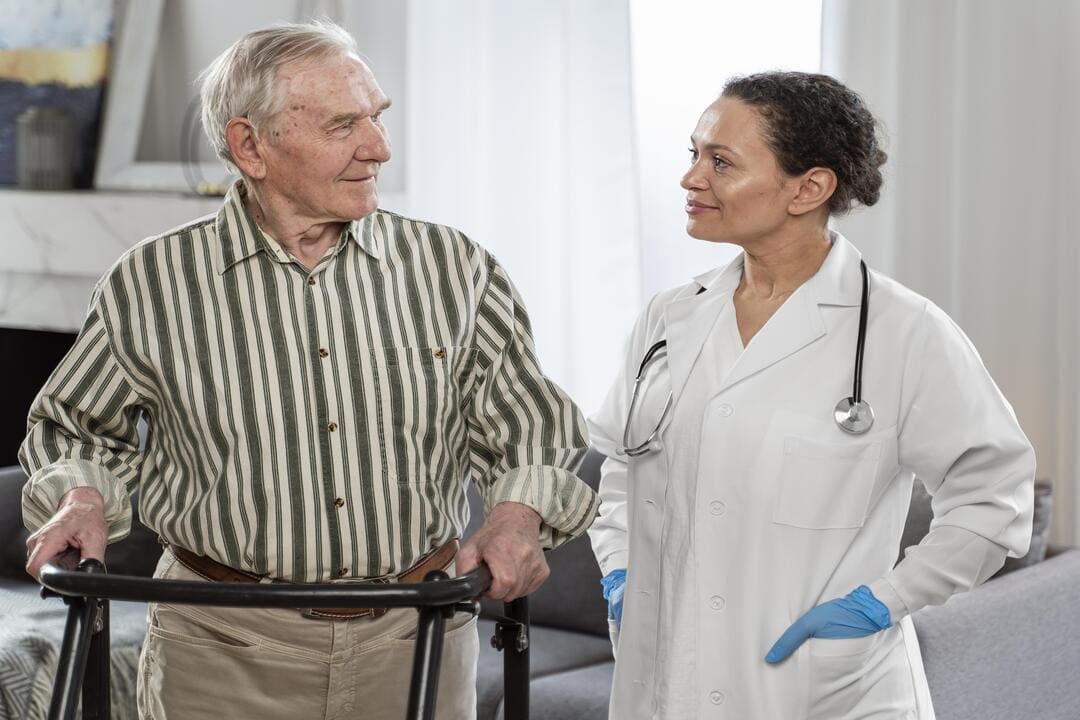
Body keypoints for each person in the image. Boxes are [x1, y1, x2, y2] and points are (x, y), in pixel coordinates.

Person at [20, 21, 598, 720]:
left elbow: (531, 424)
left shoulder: (455, 269)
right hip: (219, 650)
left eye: (377, 118)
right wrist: (81, 498)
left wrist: (516, 514)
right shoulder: (151, 281)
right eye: (342, 125)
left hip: (417, 638)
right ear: (249, 146)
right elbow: (75, 426)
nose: (378, 148)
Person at [588, 71, 1034, 720]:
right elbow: (621, 463)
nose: (691, 179)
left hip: (825, 694)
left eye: (721, 162)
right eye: (694, 155)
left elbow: (994, 499)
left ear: (809, 188)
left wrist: (885, 601)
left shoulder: (903, 333)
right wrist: (619, 568)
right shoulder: (670, 318)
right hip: (666, 684)